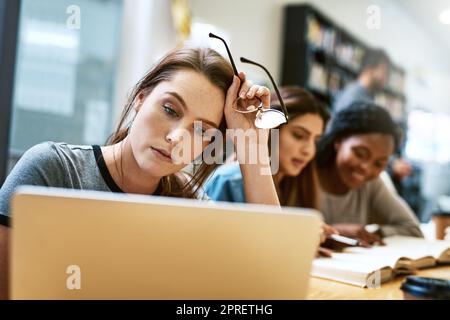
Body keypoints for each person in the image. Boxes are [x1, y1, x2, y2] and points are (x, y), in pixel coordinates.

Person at [0, 47, 281, 299]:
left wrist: (251, 143)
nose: (176, 137)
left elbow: (270, 273)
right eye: (170, 109)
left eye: (201, 131)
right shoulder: (53, 169)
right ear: (141, 97)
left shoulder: (190, 203)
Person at [316, 101, 423, 247]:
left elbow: (412, 228)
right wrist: (333, 233)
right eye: (360, 154)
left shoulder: (372, 184)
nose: (366, 168)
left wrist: (374, 234)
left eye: (379, 163)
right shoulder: (301, 173)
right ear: (339, 141)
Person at [333, 48, 413, 187]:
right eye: (385, 72)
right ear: (371, 68)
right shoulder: (354, 98)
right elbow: (357, 141)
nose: (387, 79)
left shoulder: (365, 97)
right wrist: (391, 164)